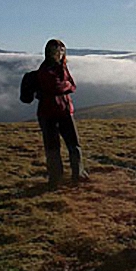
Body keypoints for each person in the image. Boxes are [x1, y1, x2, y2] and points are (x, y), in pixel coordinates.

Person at [37, 39, 88, 189]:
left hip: (60, 111)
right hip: (52, 113)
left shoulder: (61, 68)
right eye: (57, 50)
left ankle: (72, 176)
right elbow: (59, 87)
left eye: (61, 50)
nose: (59, 53)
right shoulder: (46, 69)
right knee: (57, 147)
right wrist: (66, 86)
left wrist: (65, 86)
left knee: (70, 145)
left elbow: (72, 86)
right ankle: (58, 178)